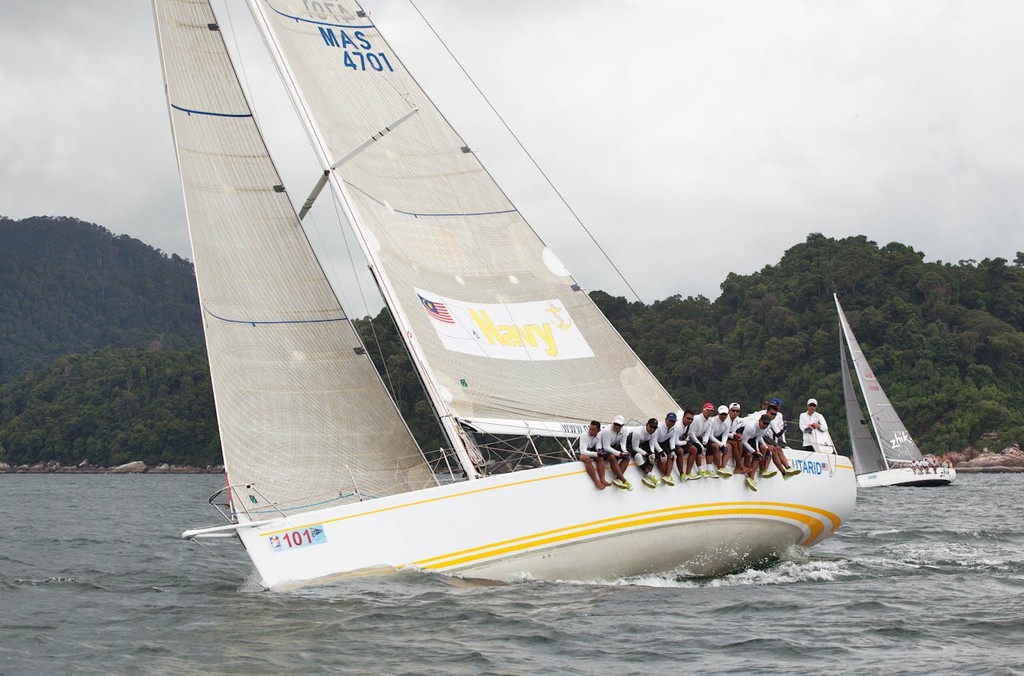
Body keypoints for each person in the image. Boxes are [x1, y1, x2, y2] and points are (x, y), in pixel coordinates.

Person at [684, 403, 720, 479]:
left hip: (698, 437)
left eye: (711, 411)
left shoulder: (710, 420)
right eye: (707, 410)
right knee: (698, 448)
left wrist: (704, 442)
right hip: (689, 438)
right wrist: (700, 444)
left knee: (710, 446)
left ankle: (709, 469)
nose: (709, 412)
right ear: (703, 410)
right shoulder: (696, 419)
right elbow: (691, 433)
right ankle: (699, 470)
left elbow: (707, 433)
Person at [738, 414, 773, 491]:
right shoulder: (751, 427)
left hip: (750, 439)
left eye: (767, 424)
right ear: (760, 420)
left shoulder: (763, 428)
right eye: (764, 423)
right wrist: (753, 451)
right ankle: (749, 475)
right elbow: (744, 441)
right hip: (740, 437)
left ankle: (751, 478)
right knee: (749, 454)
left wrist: (758, 451)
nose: (765, 425)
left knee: (758, 456)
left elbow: (757, 440)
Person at [597, 415, 632, 490]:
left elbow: (623, 443)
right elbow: (606, 447)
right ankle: (623, 480)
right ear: (613, 423)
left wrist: (625, 452)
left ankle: (618, 478)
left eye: (619, 425)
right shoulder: (607, 430)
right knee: (612, 457)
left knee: (628, 456)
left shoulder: (625, 430)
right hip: (602, 448)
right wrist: (618, 453)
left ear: (622, 425)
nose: (616, 426)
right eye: (615, 424)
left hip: (612, 447)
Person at [576, 420, 610, 489]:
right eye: (590, 429)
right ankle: (596, 482)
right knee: (586, 458)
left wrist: (599, 453)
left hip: (589, 451)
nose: (591, 431)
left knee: (600, 457)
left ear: (598, 430)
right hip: (578, 452)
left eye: (593, 430)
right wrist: (596, 454)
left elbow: (598, 447)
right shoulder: (584, 435)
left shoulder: (599, 435)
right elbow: (583, 452)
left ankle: (603, 480)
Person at [628, 418, 661, 489]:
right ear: (647, 425)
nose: (652, 429)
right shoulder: (638, 432)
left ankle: (647, 478)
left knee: (652, 458)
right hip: (630, 443)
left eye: (654, 427)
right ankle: (649, 475)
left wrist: (652, 453)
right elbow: (635, 447)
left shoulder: (655, 432)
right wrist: (646, 454)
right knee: (638, 456)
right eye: (651, 427)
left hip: (641, 442)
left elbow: (652, 444)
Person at [650, 412, 680, 485]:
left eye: (673, 421)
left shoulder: (674, 427)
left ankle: (667, 476)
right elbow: (654, 441)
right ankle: (666, 475)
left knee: (672, 456)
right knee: (661, 457)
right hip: (652, 442)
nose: (671, 423)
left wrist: (673, 450)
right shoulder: (659, 426)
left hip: (663, 442)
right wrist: (661, 452)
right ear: (666, 419)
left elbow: (672, 439)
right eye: (670, 420)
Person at [708, 405, 733, 478]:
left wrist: (723, 445)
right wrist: (720, 444)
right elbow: (710, 436)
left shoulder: (728, 422)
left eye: (725, 414)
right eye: (722, 414)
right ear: (718, 413)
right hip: (709, 438)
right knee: (716, 447)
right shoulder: (712, 421)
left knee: (729, 446)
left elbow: (725, 435)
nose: (723, 416)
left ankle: (723, 467)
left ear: (727, 414)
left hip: (718, 438)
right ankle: (719, 467)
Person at [673, 410, 696, 478]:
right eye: (688, 418)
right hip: (672, 442)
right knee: (680, 451)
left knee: (694, 449)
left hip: (680, 440)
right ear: (683, 417)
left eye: (691, 419)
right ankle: (681, 474)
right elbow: (675, 442)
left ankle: (688, 472)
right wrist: (685, 442)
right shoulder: (678, 426)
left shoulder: (688, 425)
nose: (690, 421)